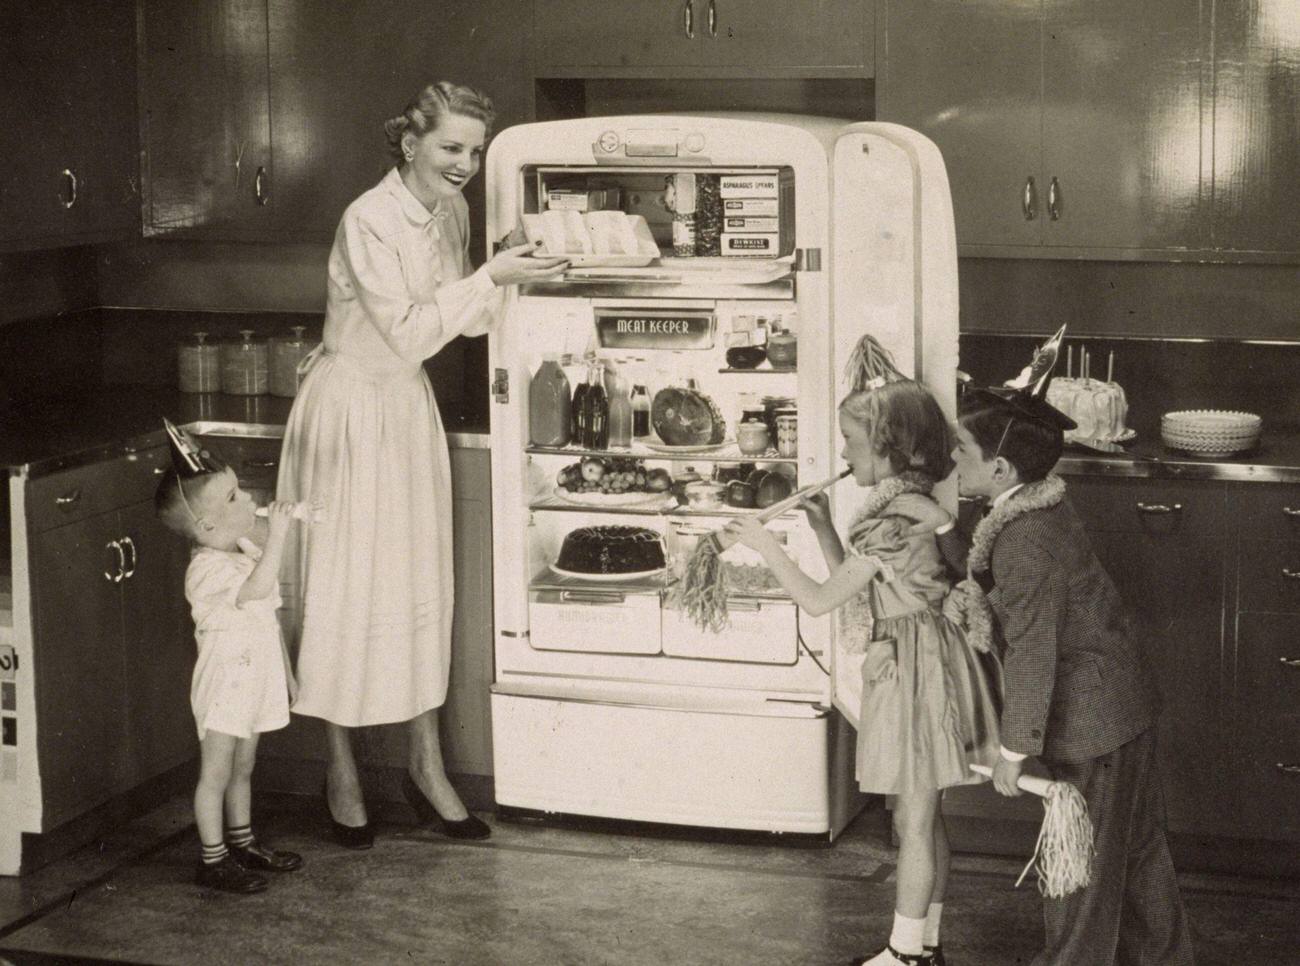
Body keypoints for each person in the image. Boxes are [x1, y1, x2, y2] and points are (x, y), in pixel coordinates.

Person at [277, 82, 566, 849]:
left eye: (474, 151)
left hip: (405, 411)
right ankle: (342, 771)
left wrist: (498, 269)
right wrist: (487, 281)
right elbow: (405, 331)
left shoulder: (452, 213)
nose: (466, 164)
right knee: (342, 589)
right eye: (451, 148)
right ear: (410, 144)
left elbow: (461, 320)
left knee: (417, 587)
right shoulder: (368, 219)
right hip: (349, 410)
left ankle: (426, 764)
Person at [725, 336, 1001, 966]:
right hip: (921, 655)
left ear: (885, 449)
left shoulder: (893, 521)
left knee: (915, 817)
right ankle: (923, 942)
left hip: (916, 667)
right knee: (918, 814)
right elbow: (864, 580)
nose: (844, 452)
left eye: (851, 442)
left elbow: (823, 600)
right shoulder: (909, 506)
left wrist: (764, 545)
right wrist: (822, 527)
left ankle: (905, 955)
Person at [929, 339, 1195, 965]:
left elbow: (1032, 652)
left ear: (999, 471)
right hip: (1123, 710)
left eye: (960, 451)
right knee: (1136, 858)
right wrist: (943, 528)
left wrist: (1012, 753)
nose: (950, 461)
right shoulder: (1037, 506)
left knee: (1078, 874)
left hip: (1090, 731)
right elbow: (992, 569)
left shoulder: (1025, 542)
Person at [155, 421, 305, 894]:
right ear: (207, 526)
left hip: (256, 677)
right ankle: (212, 858)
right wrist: (278, 532)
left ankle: (243, 844)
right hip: (225, 685)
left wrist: (286, 674)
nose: (247, 500)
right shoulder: (206, 570)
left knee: (243, 768)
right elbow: (256, 589)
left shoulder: (242, 550)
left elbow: (270, 616)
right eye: (234, 498)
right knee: (216, 773)